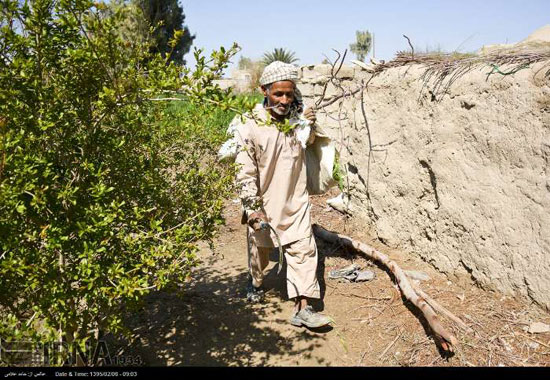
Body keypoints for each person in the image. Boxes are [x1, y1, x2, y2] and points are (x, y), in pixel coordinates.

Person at [234, 61, 331, 328]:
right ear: (264, 90)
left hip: (296, 201)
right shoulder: (249, 126)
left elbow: (310, 144)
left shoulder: (297, 121)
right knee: (261, 254)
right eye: (278, 94)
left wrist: (309, 125)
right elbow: (244, 173)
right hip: (264, 204)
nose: (284, 100)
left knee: (304, 250)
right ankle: (255, 282)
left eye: (289, 94)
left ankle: (303, 307)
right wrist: (253, 209)